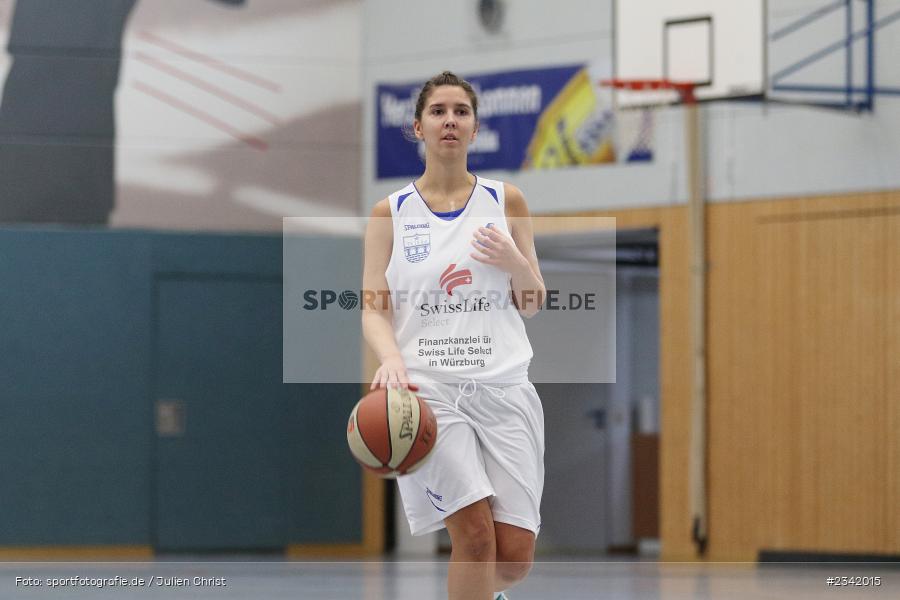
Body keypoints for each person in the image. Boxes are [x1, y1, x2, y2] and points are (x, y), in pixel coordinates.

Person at [362, 71, 546, 600]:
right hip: (429, 392)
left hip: (505, 388)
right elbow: (375, 309)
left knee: (513, 559)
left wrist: (515, 261)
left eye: (460, 112)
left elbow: (532, 304)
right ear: (417, 127)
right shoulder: (389, 214)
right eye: (438, 111)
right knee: (474, 536)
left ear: (475, 127)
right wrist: (391, 358)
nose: (450, 120)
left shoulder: (505, 200)